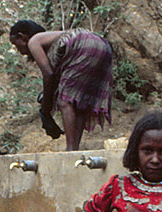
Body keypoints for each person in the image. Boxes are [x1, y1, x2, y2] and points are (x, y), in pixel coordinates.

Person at [9, 19, 114, 151]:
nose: (17, 49)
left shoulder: (34, 41)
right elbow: (53, 81)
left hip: (83, 44)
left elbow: (49, 75)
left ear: (21, 36)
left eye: (15, 44)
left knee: (64, 101)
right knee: (78, 103)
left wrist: (45, 111)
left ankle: (70, 148)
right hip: (102, 45)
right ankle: (74, 148)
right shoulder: (52, 43)